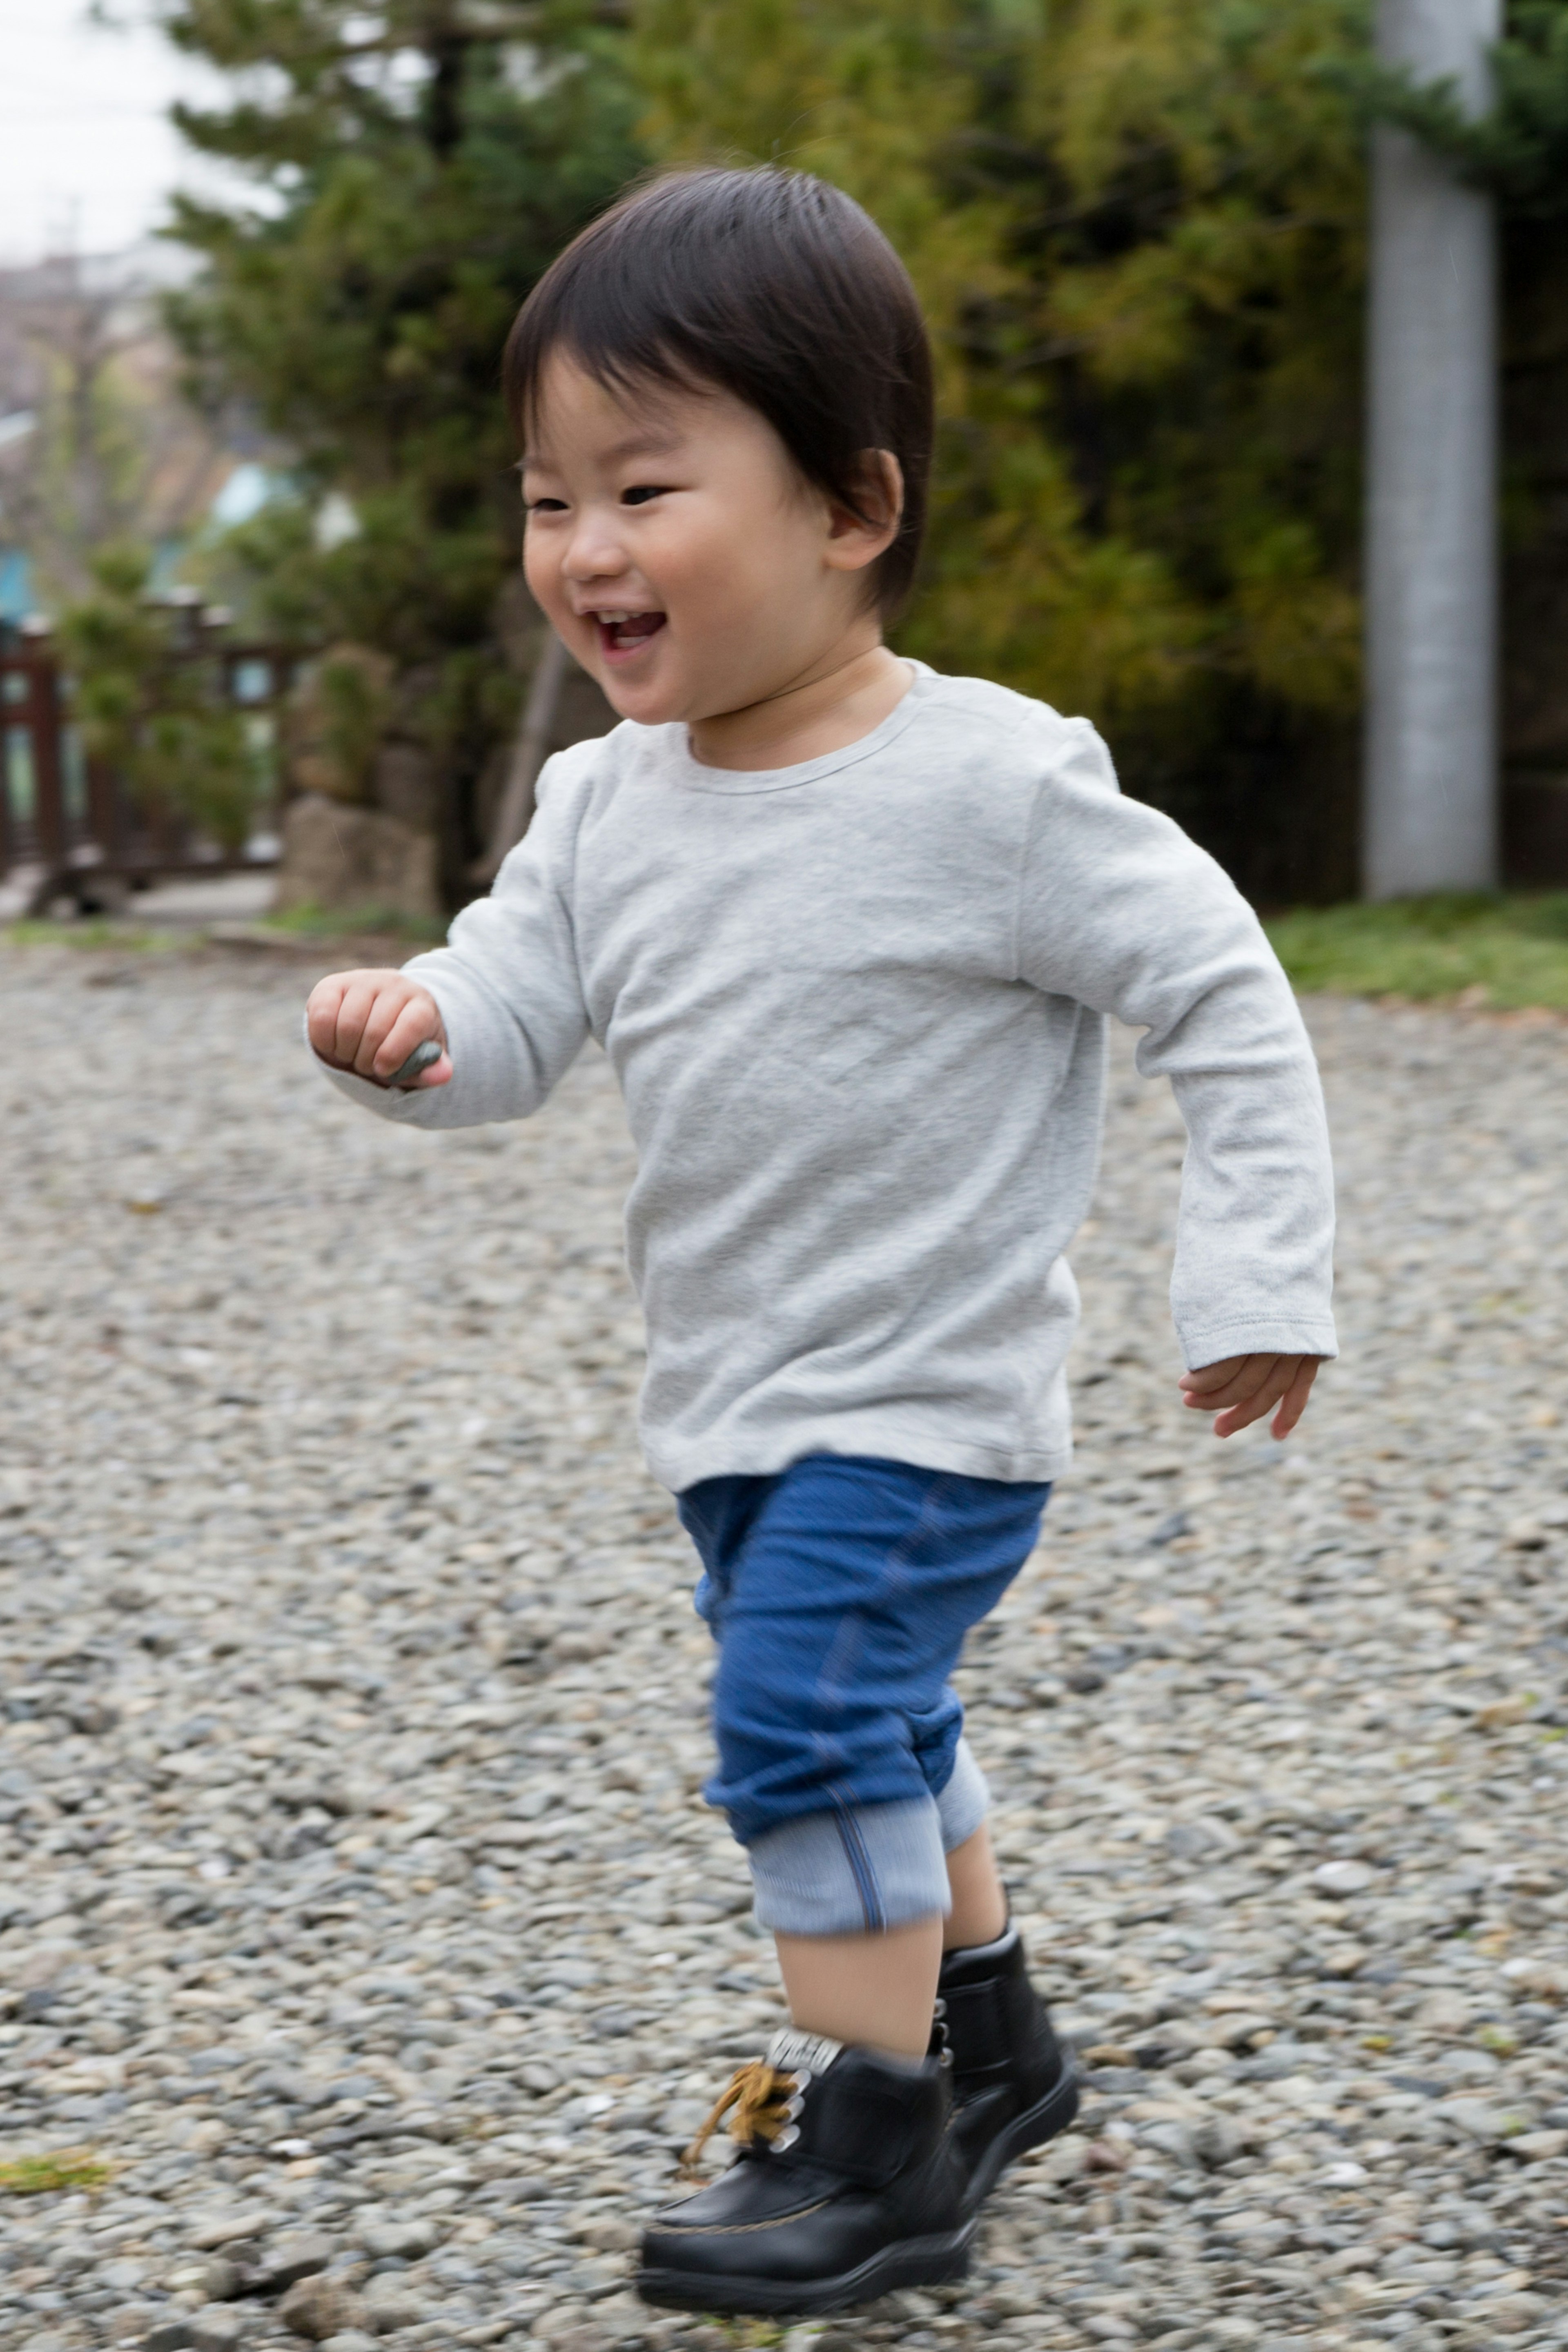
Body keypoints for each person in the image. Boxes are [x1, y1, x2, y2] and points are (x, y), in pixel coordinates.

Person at [303, 166, 1336, 2319]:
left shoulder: (993, 792)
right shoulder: (606, 801)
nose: (583, 549)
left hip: (928, 1408)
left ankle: (878, 2143)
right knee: (893, 1724)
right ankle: (998, 2041)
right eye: (546, 497)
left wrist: (1253, 1275)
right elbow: (521, 1018)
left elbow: (1223, 992)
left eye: (645, 485)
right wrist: (423, 1038)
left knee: (800, 1725)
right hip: (735, 1401)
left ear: (854, 506)